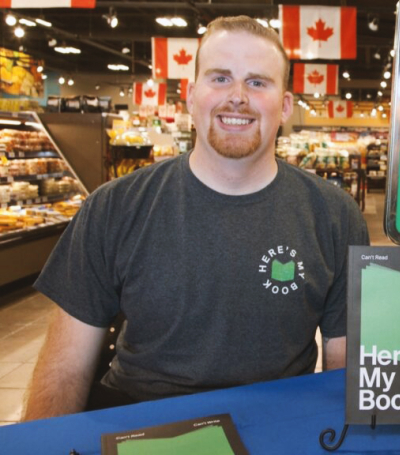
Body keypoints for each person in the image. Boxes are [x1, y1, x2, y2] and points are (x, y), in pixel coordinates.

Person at [23, 16, 369, 420]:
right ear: (190, 96)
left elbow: (344, 363)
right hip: (142, 422)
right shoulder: (114, 207)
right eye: (220, 78)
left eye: (257, 82)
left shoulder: (334, 216)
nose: (237, 96)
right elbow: (65, 366)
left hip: (275, 419)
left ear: (285, 106)